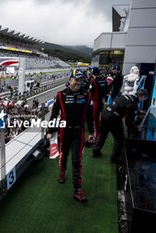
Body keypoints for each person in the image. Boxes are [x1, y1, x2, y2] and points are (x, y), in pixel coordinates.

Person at [47, 69, 93, 202]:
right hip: (64, 131)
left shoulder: (87, 95)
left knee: (77, 160)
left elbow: (90, 116)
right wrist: (50, 131)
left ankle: (77, 189)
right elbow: (54, 114)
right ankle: (62, 172)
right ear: (70, 80)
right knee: (63, 154)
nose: (79, 82)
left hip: (79, 132)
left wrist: (91, 132)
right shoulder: (61, 95)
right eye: (76, 79)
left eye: (81, 80)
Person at [92, 89, 149, 163]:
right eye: (144, 98)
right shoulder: (133, 103)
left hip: (105, 112)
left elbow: (122, 105)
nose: (143, 100)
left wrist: (136, 112)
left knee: (103, 134)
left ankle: (96, 152)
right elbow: (128, 122)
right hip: (113, 117)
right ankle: (115, 159)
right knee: (120, 139)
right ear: (141, 96)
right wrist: (136, 128)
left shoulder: (127, 95)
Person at [89, 67, 108, 140]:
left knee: (95, 119)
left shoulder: (93, 81)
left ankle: (96, 135)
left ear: (93, 73)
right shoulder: (104, 80)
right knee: (101, 117)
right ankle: (100, 132)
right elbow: (107, 90)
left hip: (95, 102)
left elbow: (90, 93)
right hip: (102, 101)